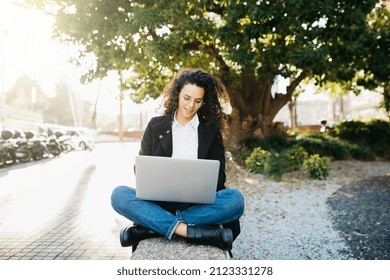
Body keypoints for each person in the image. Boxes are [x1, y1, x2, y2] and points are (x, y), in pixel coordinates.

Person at [111, 68, 244, 254]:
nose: (191, 105)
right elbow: (140, 171)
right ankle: (186, 230)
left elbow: (219, 177)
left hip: (197, 205)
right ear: (177, 95)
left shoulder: (210, 131)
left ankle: (153, 228)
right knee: (119, 195)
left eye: (197, 101)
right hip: (159, 204)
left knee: (235, 200)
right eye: (186, 98)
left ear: (204, 102)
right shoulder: (155, 126)